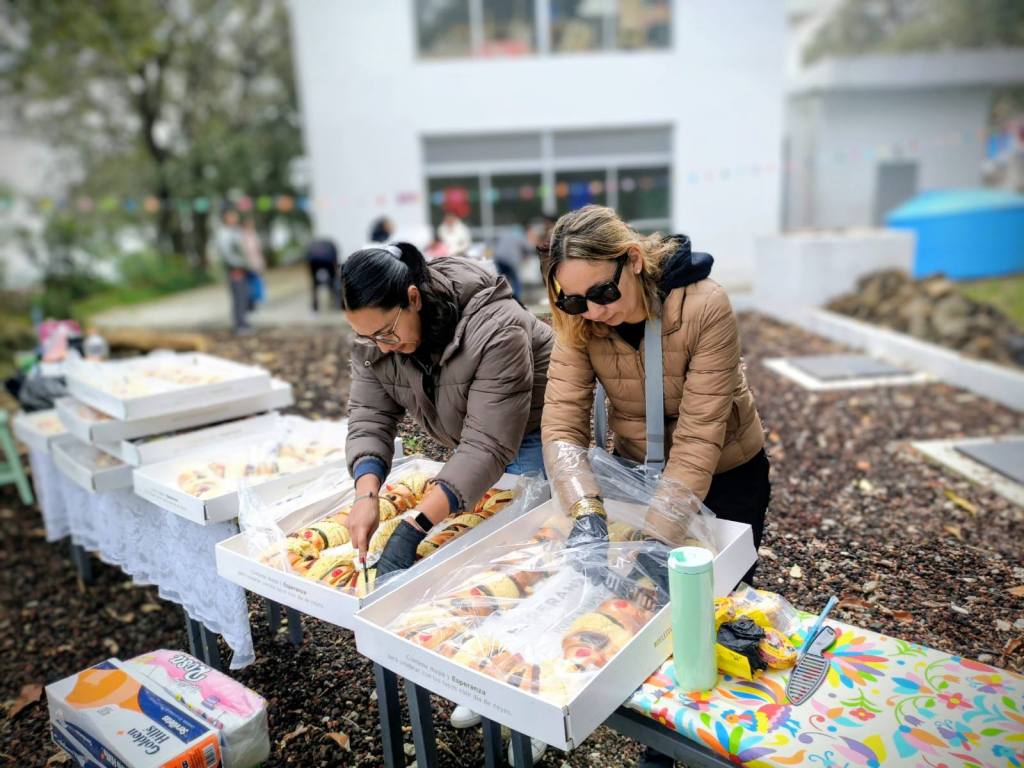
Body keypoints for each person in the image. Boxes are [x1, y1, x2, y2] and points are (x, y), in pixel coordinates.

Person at [539, 205, 769, 768]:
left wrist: (654, 541)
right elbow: (562, 425)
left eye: (602, 293)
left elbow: (699, 437)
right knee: (645, 616)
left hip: (725, 473)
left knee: (713, 613)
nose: (594, 311)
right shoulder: (580, 318)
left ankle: (712, 737)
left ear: (634, 261)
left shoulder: (706, 305)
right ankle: (662, 740)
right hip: (640, 473)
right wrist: (586, 510)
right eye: (574, 301)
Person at [341, 242, 553, 760]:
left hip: (534, 431)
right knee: (480, 565)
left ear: (413, 298)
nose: (380, 346)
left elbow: (488, 444)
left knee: (530, 565)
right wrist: (366, 492)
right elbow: (370, 416)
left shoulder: (495, 326)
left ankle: (538, 702)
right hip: (475, 440)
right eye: (367, 337)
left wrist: (414, 526)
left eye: (386, 333)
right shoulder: (378, 335)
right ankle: (486, 672)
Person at [214, 209, 253, 333]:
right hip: (235, 270)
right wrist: (237, 266)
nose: (234, 219)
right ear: (225, 218)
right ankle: (240, 324)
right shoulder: (224, 233)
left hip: (243, 269)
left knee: (245, 296)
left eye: (235, 216)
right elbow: (227, 254)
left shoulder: (235, 231)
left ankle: (243, 322)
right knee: (239, 297)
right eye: (231, 216)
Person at [491, 224, 531, 300]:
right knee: (516, 280)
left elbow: (495, 245)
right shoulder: (520, 237)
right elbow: (528, 249)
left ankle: (499, 297)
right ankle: (516, 298)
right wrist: (526, 257)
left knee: (501, 279)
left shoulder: (504, 235)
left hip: (498, 259)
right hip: (510, 261)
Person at [305, 237, 340, 312]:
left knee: (314, 284)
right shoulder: (330, 245)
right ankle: (334, 300)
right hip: (328, 260)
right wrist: (335, 274)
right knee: (333, 281)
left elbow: (308, 263)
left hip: (314, 260)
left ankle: (315, 305)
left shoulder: (312, 246)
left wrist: (311, 276)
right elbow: (335, 262)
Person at [241, 216, 267, 311]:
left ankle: (255, 302)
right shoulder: (241, 236)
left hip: (256, 263)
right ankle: (249, 303)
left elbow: (258, 250)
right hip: (247, 264)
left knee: (257, 283)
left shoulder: (254, 235)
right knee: (248, 285)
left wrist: (261, 262)